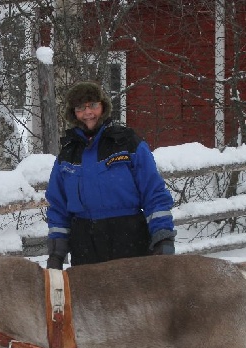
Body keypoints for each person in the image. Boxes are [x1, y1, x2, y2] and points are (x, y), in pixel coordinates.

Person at [45, 81, 176, 270]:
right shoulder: (67, 155)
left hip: (129, 238)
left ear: (103, 106)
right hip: (85, 245)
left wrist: (163, 236)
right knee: (89, 298)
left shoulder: (128, 143)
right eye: (80, 108)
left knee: (135, 298)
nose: (88, 113)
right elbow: (58, 206)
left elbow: (153, 193)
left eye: (93, 105)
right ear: (73, 113)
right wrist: (57, 252)